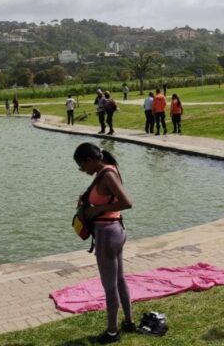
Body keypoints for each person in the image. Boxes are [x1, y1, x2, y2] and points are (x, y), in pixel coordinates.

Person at [73, 143, 135, 343]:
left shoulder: (107, 174)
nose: (82, 171)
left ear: (90, 160)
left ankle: (112, 331)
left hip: (107, 233)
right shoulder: (107, 170)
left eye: (82, 166)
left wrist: (96, 210)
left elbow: (127, 202)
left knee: (109, 285)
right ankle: (128, 321)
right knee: (119, 279)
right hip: (114, 231)